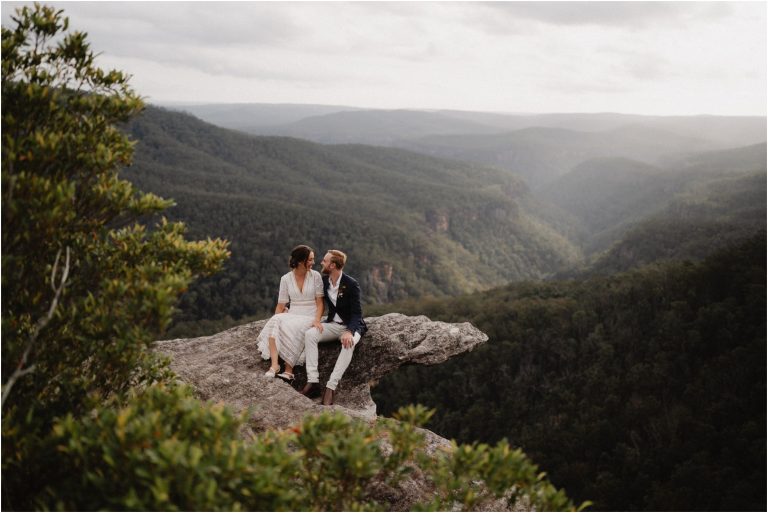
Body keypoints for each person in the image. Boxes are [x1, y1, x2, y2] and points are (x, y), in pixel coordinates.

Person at [300, 249, 367, 405]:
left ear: (333, 265)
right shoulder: (324, 282)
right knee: (310, 334)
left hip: (352, 326)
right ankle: (313, 382)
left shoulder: (351, 284)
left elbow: (357, 314)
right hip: (332, 325)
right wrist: (288, 307)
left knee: (348, 344)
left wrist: (350, 332)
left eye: (325, 261)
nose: (321, 263)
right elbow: (312, 299)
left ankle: (331, 387)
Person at [257, 245, 324, 382]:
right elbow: (281, 305)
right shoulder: (285, 279)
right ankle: (275, 365)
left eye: (313, 259)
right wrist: (277, 317)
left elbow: (320, 303)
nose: (313, 262)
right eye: (310, 259)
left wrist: (317, 320)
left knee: (295, 328)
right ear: (300, 261)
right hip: (293, 313)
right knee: (275, 321)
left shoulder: (316, 276)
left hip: (310, 314)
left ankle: (289, 371)